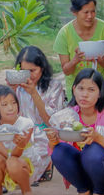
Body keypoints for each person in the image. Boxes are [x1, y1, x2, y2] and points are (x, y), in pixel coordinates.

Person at [45, 68, 104, 195]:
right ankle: (84, 192)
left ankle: (99, 193)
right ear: (74, 89)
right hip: (83, 176)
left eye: (91, 90)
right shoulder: (68, 115)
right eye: (81, 88)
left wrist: (98, 138)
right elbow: (59, 152)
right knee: (58, 151)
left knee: (92, 148)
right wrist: (53, 142)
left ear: (100, 93)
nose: (84, 94)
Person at [10, 46, 65, 182]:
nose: (28, 75)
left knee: (27, 169)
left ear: (42, 68)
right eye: (23, 71)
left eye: (32, 71)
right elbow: (10, 118)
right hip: (21, 134)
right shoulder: (18, 88)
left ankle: (45, 166)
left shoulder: (55, 87)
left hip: (44, 135)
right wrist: (10, 93)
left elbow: (51, 122)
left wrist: (34, 93)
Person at [53, 0, 104, 99]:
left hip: (102, 86)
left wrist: (102, 61)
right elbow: (66, 70)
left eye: (93, 12)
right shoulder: (64, 33)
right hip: (78, 89)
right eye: (86, 12)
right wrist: (75, 60)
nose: (90, 16)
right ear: (75, 12)